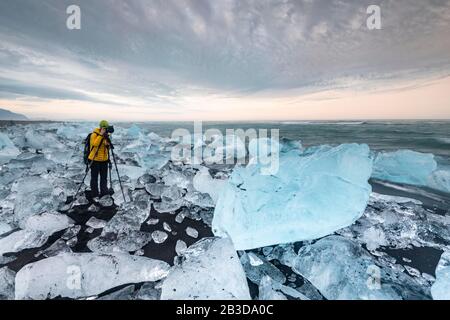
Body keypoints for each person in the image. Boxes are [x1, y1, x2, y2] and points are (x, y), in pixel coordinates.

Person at [88, 120, 111, 197]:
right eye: (104, 128)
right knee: (94, 178)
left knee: (104, 178)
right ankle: (95, 194)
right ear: (101, 128)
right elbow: (95, 144)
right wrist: (100, 135)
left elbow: (107, 147)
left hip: (104, 160)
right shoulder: (94, 134)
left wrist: (107, 141)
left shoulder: (106, 135)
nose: (106, 130)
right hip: (94, 160)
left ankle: (104, 192)